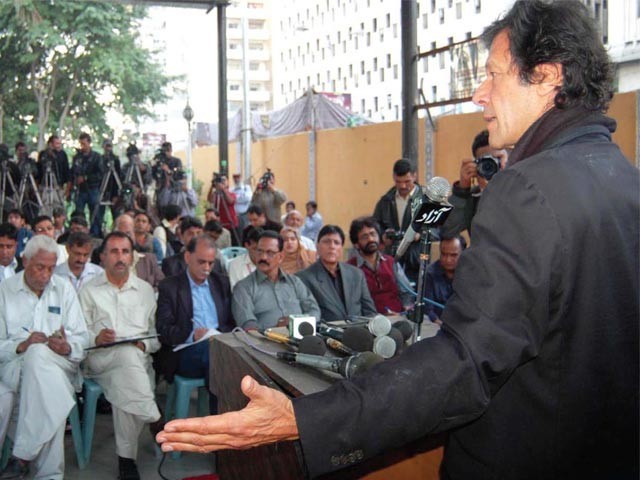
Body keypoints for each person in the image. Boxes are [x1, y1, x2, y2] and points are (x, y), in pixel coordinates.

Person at [156, 2, 639, 479]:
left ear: (548, 76)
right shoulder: (625, 179)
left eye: (493, 75)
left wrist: (303, 420)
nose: (479, 94)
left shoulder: (525, 190)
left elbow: (464, 365)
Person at [0, 235, 89, 479]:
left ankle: (22, 456)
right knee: (50, 392)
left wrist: (67, 347)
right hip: (15, 369)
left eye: (51, 268)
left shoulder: (63, 289)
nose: (46, 275)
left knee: (42, 364)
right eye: (40, 267)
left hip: (60, 364)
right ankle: (46, 473)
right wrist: (22, 345)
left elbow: (83, 338)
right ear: (25, 261)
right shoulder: (5, 291)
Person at [79, 232, 160, 480]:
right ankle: (154, 417)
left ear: (132, 256)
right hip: (101, 359)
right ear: (103, 257)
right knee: (128, 365)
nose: (120, 257)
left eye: (125, 251)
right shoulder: (88, 290)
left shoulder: (145, 290)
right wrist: (96, 338)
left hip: (137, 361)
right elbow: (77, 334)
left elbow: (155, 337)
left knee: (127, 377)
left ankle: (127, 461)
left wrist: (143, 345)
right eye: (114, 251)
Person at [156, 235, 235, 411]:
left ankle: (229, 417)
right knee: (214, 352)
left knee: (233, 355)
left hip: (219, 346)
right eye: (201, 262)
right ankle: (220, 418)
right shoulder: (170, 287)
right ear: (187, 257)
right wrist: (192, 335)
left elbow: (230, 322)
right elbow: (163, 330)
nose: (206, 268)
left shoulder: (221, 282)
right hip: (185, 351)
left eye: (211, 263)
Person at [232, 230, 320, 331]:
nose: (263, 257)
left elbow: (314, 311)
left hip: (302, 336)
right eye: (259, 251)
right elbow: (247, 325)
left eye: (270, 253)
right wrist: (274, 331)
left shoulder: (295, 282)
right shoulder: (243, 288)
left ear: (281, 257)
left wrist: (296, 323)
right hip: (265, 340)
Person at [297, 225, 376, 322]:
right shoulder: (304, 278)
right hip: (326, 330)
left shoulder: (356, 274)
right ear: (317, 246)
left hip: (359, 329)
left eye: (336, 242)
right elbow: (308, 315)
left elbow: (369, 311)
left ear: (341, 248)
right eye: (327, 242)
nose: (332, 246)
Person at [440, 130, 509, 238]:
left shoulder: (526, 191)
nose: (491, 165)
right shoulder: (473, 199)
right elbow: (446, 231)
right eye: (484, 162)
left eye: (498, 159)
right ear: (476, 166)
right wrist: (461, 192)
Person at [347, 216, 414, 314]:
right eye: (365, 237)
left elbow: (407, 292)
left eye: (373, 234)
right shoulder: (350, 268)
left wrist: (406, 308)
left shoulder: (391, 262)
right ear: (356, 244)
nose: (371, 239)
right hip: (368, 319)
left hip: (398, 316)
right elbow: (352, 303)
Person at [373, 158, 423, 283]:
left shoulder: (426, 200)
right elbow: (375, 226)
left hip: (417, 261)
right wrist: (383, 236)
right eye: (398, 182)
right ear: (393, 177)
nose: (402, 186)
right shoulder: (385, 201)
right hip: (391, 260)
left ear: (415, 176)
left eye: (407, 181)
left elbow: (438, 230)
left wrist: (418, 234)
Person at [113, 214, 164, 291]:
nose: (125, 238)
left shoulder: (149, 260)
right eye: (120, 234)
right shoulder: (107, 261)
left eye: (128, 233)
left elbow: (162, 285)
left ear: (134, 234)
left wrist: (147, 294)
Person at [424, 235, 466, 324]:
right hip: (437, 325)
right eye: (444, 254)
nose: (448, 260)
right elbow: (428, 309)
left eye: (453, 255)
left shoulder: (471, 274)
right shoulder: (430, 273)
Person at [70, 132, 104, 237]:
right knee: (78, 211)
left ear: (89, 143)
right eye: (81, 144)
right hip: (80, 189)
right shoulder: (77, 157)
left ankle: (95, 234)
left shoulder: (97, 157)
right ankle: (78, 232)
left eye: (84, 144)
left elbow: (101, 174)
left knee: (95, 212)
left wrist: (86, 178)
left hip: (93, 188)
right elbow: (73, 172)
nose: (82, 146)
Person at [227, 225, 261, 290]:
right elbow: (235, 290)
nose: (258, 253)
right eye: (255, 249)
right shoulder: (235, 265)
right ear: (247, 246)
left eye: (261, 250)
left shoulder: (270, 262)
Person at [37, 135, 70, 201]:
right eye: (57, 143)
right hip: (45, 186)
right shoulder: (43, 154)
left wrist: (67, 188)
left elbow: (66, 171)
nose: (59, 146)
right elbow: (39, 171)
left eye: (59, 143)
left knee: (58, 205)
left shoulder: (62, 154)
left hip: (58, 186)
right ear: (50, 144)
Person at [207, 174, 238, 241]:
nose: (222, 182)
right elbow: (210, 199)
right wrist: (212, 186)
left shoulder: (231, 193)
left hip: (230, 223)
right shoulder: (216, 194)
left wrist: (223, 189)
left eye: (224, 180)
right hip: (219, 224)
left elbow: (230, 201)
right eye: (221, 181)